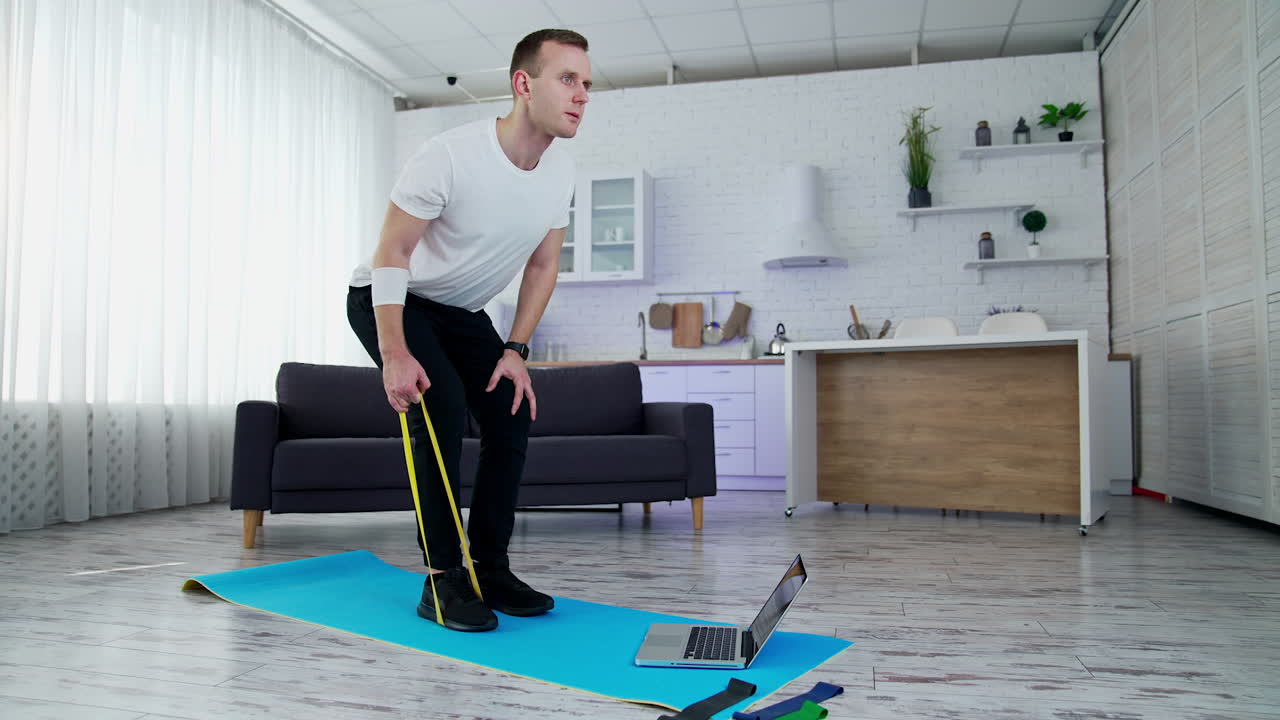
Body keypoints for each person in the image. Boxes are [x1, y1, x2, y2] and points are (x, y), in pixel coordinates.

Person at [346, 29, 591, 632]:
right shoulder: (449, 155)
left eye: (587, 83)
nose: (583, 94)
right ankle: (442, 581)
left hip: (461, 312)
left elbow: (543, 265)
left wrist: (515, 349)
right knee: (443, 406)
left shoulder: (560, 172)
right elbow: (392, 253)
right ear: (523, 84)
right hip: (392, 299)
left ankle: (490, 567)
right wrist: (394, 352)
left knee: (511, 409)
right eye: (568, 79)